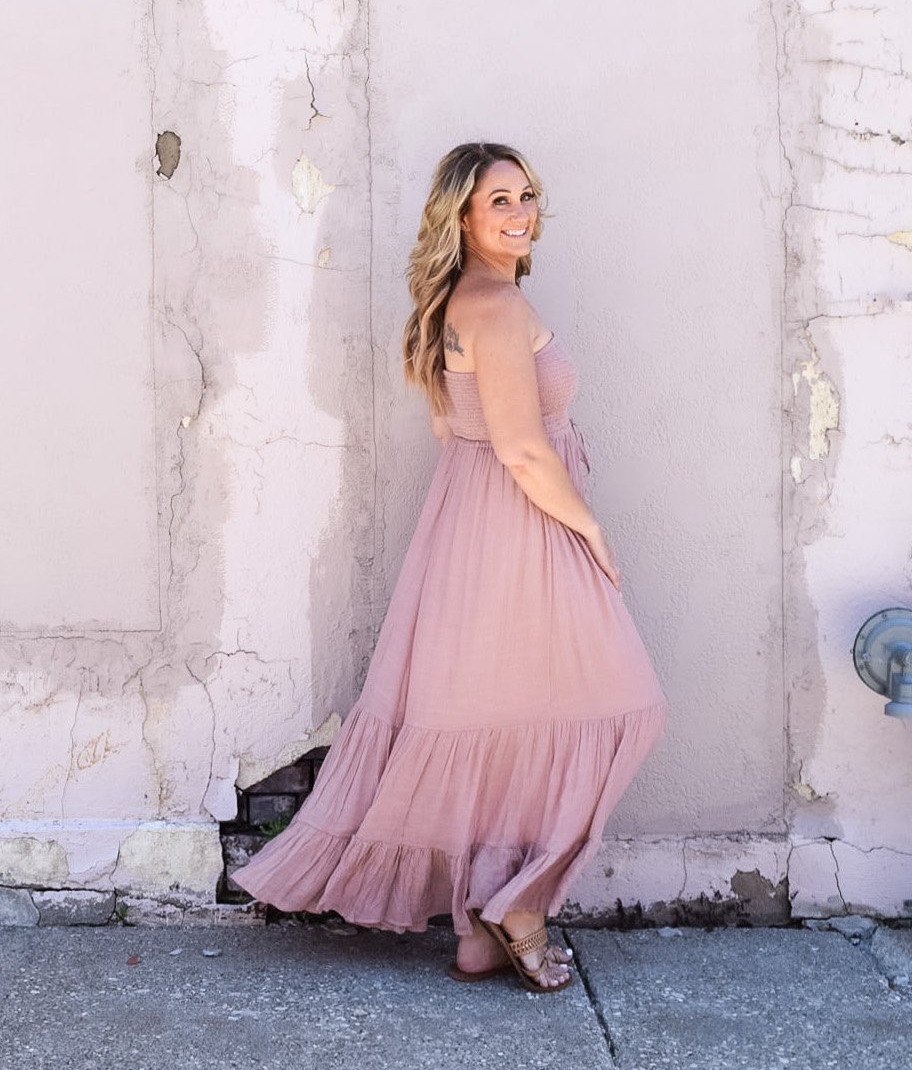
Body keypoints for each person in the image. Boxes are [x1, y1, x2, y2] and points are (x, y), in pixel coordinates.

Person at [229, 141, 667, 990]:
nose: (520, 212)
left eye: (528, 195)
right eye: (499, 200)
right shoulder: (495, 306)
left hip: (469, 527)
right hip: (521, 525)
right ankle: (522, 906)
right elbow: (522, 450)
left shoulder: (458, 300)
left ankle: (475, 928)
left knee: (493, 721)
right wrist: (592, 531)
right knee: (629, 707)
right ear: (461, 218)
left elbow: (452, 428)